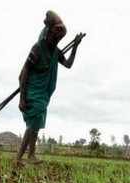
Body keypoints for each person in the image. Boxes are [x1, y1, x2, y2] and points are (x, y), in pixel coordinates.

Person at [16, 10, 86, 164]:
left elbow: (67, 64)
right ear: (48, 33)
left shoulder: (55, 51)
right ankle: (18, 158)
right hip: (31, 91)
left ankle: (31, 155)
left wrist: (75, 46)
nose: (56, 41)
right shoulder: (37, 48)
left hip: (43, 93)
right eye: (55, 37)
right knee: (33, 124)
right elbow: (23, 73)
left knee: (36, 125)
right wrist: (22, 98)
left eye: (58, 39)